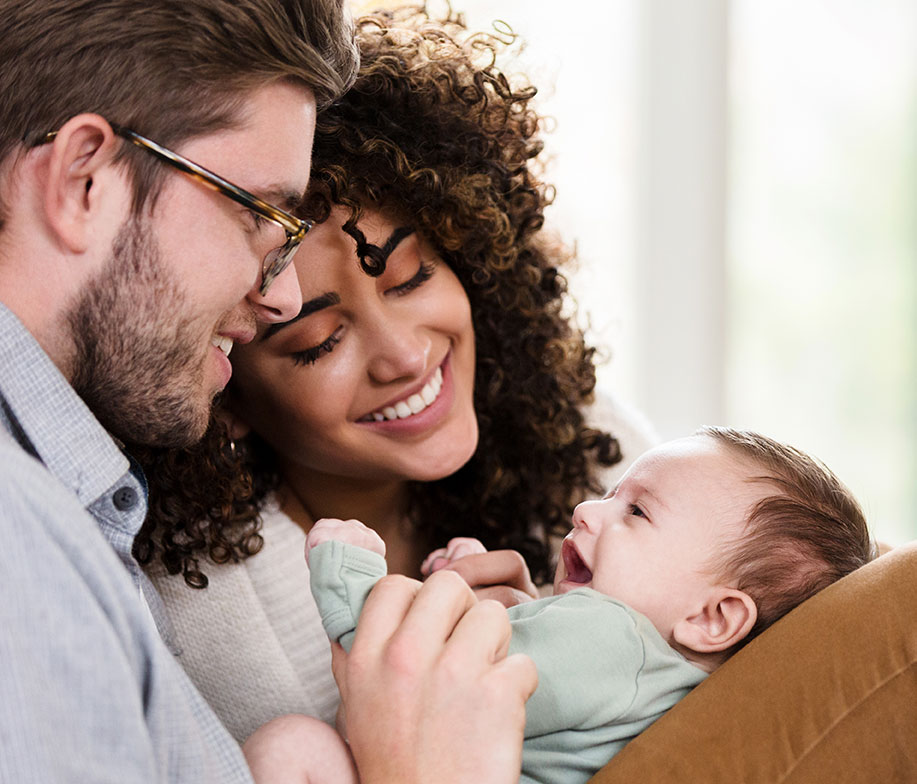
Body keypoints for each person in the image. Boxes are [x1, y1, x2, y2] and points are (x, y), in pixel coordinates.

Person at [0, 2, 537, 782]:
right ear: (85, 179)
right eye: (261, 215)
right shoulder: (20, 553)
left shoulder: (72, 513)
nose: (282, 297)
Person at [132, 6, 657, 744]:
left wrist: (562, 648)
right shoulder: (199, 617)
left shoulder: (601, 447)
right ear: (227, 387)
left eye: (409, 277)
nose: (405, 356)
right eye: (316, 341)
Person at [251, 426, 874, 784]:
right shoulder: (665, 680)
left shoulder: (612, 637)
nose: (585, 509)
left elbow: (411, 675)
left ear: (713, 618)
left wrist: (349, 572)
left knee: (291, 747)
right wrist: (468, 603)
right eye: (610, 491)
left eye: (637, 511)